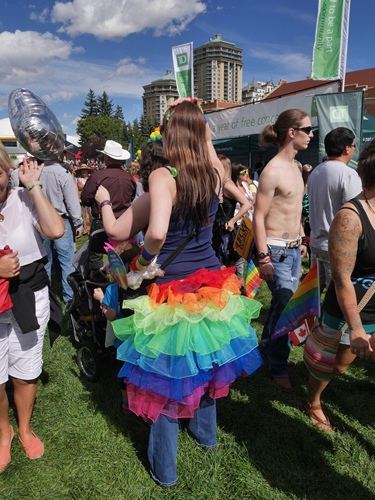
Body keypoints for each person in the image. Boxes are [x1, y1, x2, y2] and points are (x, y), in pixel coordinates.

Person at [95, 98, 262, 487]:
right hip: (211, 286)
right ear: (201, 133)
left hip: (171, 290)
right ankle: (205, 437)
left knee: (168, 380)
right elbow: (206, 145)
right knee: (204, 366)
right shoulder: (214, 174)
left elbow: (143, 233)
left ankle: (164, 471)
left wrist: (143, 264)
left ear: (167, 135)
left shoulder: (162, 177)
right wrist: (198, 120)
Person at [302, 138, 375, 432]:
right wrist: (356, 326)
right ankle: (313, 400)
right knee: (334, 363)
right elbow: (341, 278)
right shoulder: (349, 217)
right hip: (350, 308)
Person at [0, 144, 64, 472]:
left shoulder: (22, 199)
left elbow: (56, 230)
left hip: (29, 296)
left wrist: (34, 186)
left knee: (25, 371)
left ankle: (23, 428)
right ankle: (4, 431)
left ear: (6, 171)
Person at [253, 109, 310, 390]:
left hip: (292, 250)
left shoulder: (297, 167)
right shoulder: (272, 170)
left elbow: (295, 209)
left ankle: (265, 352)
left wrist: (300, 238)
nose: (311, 135)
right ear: (292, 132)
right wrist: (263, 256)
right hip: (276, 253)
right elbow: (258, 217)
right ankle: (278, 366)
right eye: (308, 130)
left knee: (280, 308)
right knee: (287, 311)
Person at [308, 127, 362, 293]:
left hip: (316, 243)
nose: (354, 150)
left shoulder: (315, 172)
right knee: (340, 296)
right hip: (337, 246)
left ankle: (317, 320)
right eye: (353, 146)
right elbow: (354, 213)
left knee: (314, 297)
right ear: (347, 148)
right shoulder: (348, 174)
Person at [81, 140, 135, 275]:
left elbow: (85, 198)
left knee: (95, 257)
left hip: (102, 221)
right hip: (124, 221)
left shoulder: (98, 176)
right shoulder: (129, 178)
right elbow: (132, 197)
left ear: (106, 158)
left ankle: (96, 283)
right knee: (124, 254)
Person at [39, 155, 83, 304]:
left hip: (41, 219)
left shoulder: (36, 171)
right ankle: (69, 298)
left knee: (45, 260)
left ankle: (44, 296)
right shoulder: (62, 173)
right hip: (60, 219)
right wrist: (78, 223)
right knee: (66, 261)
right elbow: (72, 202)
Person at [212, 155, 251, 266]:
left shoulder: (227, 184)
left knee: (228, 262)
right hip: (217, 228)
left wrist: (233, 220)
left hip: (225, 229)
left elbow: (246, 204)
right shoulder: (220, 184)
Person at [76, 164, 95, 235]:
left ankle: (92, 228)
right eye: (82, 170)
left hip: (90, 198)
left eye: (84, 170)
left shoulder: (91, 179)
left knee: (91, 213)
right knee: (84, 213)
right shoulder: (78, 179)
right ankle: (86, 229)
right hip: (82, 198)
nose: (83, 172)